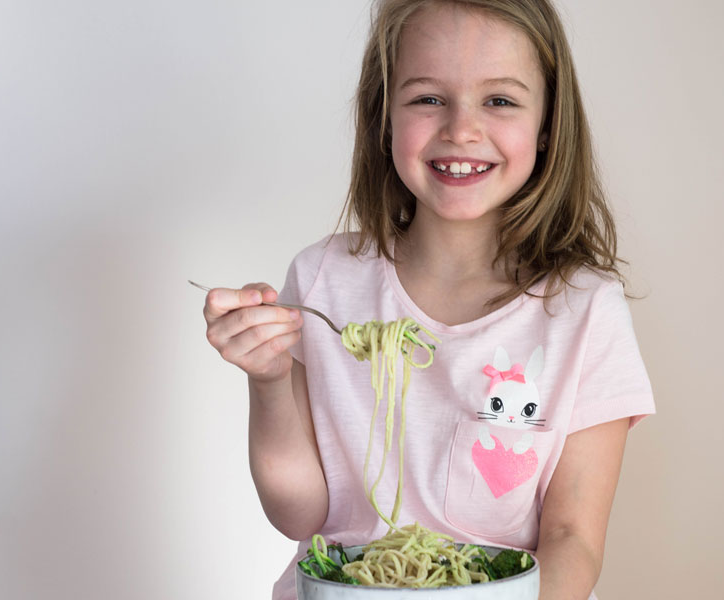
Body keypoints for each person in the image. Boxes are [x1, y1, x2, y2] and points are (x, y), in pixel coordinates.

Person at [202, 0, 655, 598]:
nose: (461, 129)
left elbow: (573, 536)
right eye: (428, 98)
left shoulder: (585, 311)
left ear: (547, 125)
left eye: (500, 100)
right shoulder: (322, 281)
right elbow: (300, 516)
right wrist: (268, 379)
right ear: (384, 116)